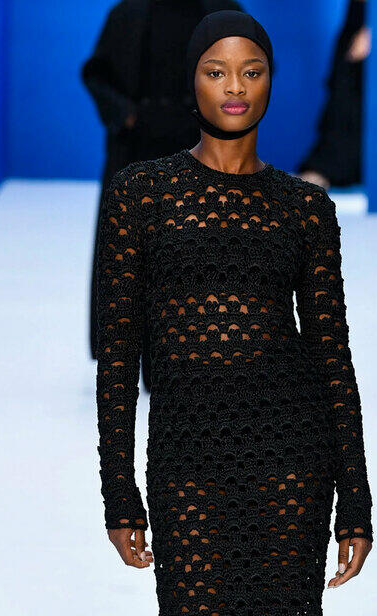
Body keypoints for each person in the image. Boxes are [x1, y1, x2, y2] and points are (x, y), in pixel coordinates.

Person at [94, 10, 374, 616]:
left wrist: (355, 496)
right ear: (194, 82)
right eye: (217, 71)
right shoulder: (142, 195)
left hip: (292, 461)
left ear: (271, 82)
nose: (235, 87)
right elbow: (119, 355)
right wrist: (118, 487)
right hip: (189, 464)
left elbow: (332, 354)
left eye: (252, 70)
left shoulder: (303, 210)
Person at [81, 0, 242, 365]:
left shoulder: (223, 12)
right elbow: (96, 73)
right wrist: (125, 115)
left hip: (201, 144)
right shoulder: (128, 12)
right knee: (128, 249)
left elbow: (255, 67)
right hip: (137, 144)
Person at [296, 0, 370, 189]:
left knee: (350, 81)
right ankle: (327, 166)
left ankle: (327, 168)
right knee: (342, 80)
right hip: (366, 15)